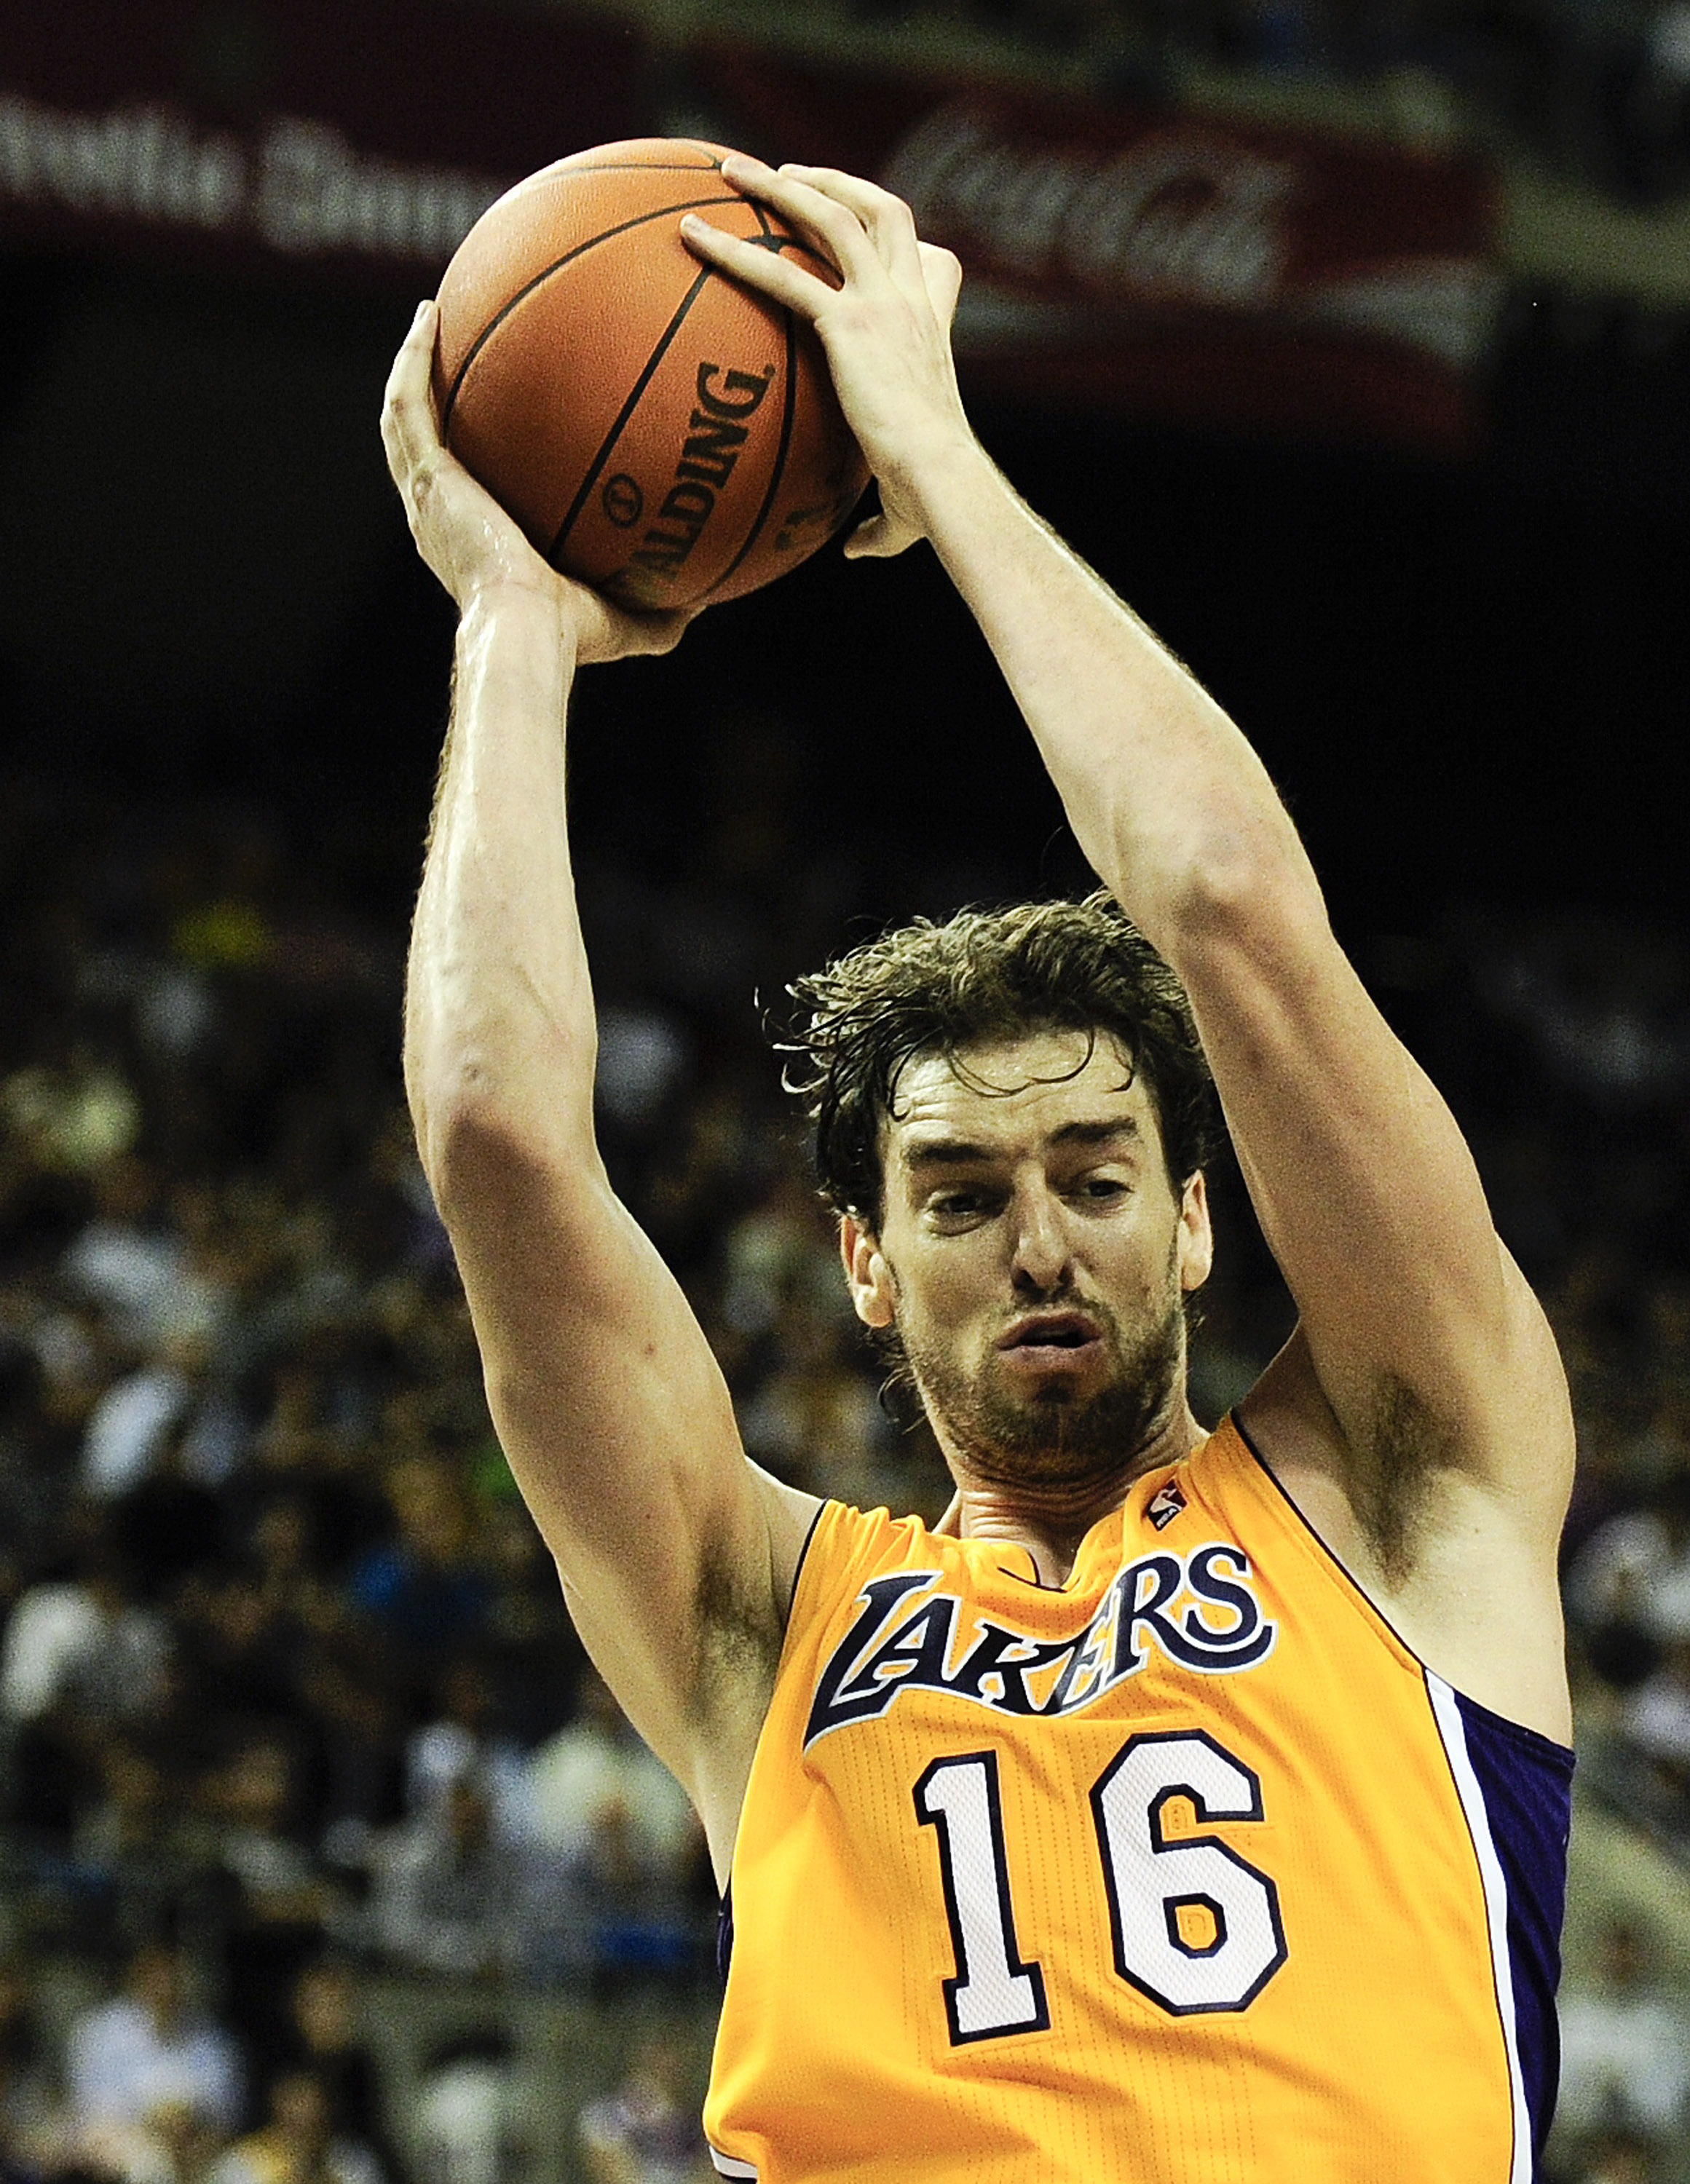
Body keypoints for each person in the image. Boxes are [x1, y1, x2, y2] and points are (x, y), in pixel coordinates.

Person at [382, 154, 1575, 2182]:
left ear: (1199, 1220)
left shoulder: (1408, 1480)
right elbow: (498, 1136)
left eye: (1098, 1175)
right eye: (959, 1196)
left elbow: (1217, 893)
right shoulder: (759, 1614)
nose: (1038, 1237)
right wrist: (514, 625)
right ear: (861, 1263)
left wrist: (929, 452)